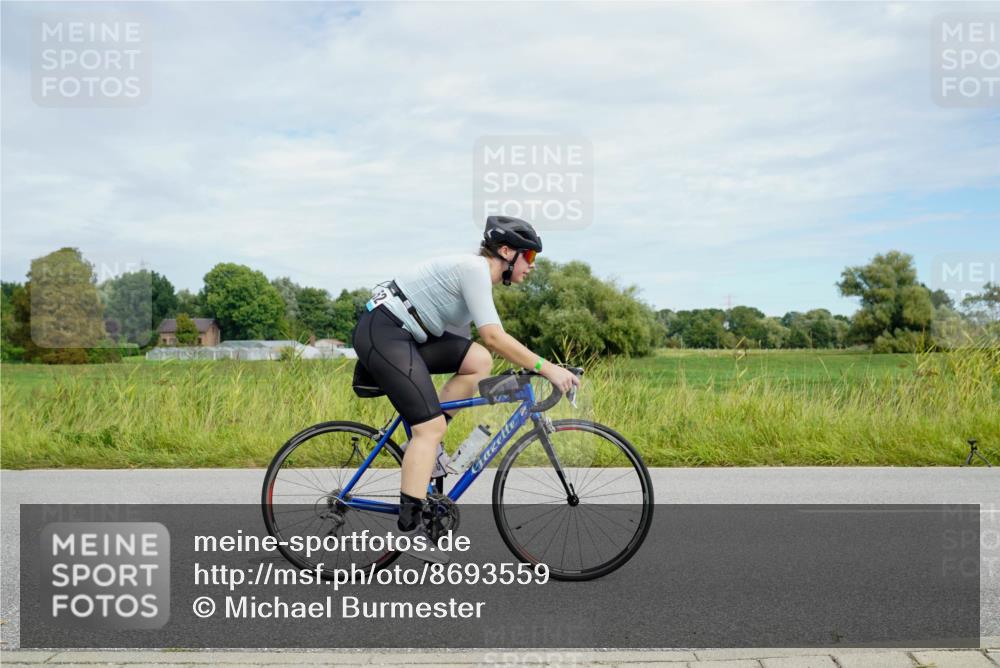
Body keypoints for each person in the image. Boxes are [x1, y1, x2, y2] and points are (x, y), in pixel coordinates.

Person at [351, 216, 581, 562]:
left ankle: (430, 447)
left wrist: (522, 372)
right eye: (529, 257)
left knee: (478, 360)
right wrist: (547, 368)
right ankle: (410, 530)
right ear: (506, 252)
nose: (531, 267)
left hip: (407, 335)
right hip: (383, 331)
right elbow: (494, 334)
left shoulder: (474, 282)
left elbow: (472, 346)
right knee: (428, 428)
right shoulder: (474, 269)